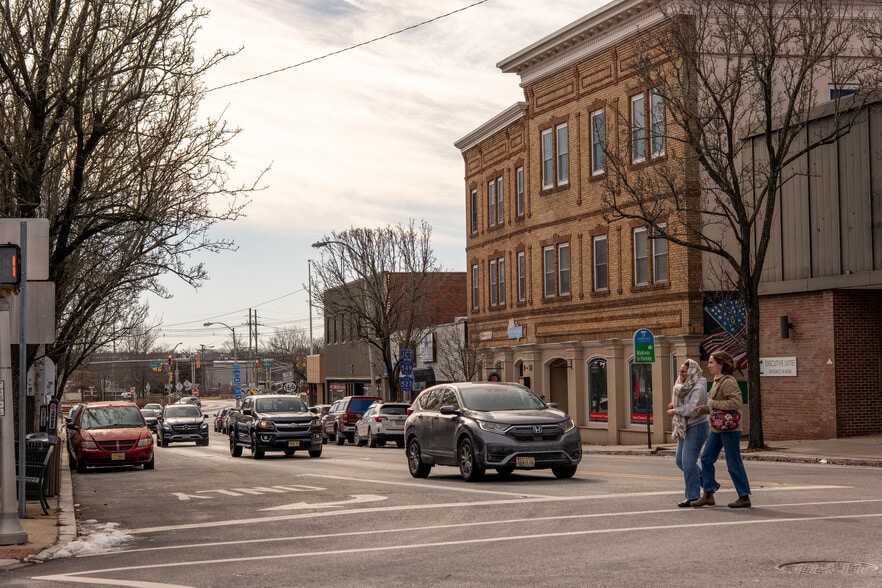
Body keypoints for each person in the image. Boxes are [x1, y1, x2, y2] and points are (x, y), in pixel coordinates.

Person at [691, 350, 752, 508]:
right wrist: (703, 409)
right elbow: (716, 406)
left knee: (733, 463)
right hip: (718, 429)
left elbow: (735, 403)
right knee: (706, 459)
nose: (709, 365)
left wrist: (713, 404)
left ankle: (744, 496)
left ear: (721, 365)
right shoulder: (718, 380)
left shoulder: (728, 381)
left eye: (712, 363)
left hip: (730, 429)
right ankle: (708, 493)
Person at [667, 359, 709, 507]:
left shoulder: (699, 386)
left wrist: (676, 410)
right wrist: (674, 404)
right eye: (680, 371)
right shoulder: (682, 384)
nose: (681, 374)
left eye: (684, 371)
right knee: (680, 461)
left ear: (691, 372)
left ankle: (692, 496)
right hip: (685, 426)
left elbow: (692, 408)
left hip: (697, 426)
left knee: (688, 462)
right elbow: (681, 400)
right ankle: (709, 486)